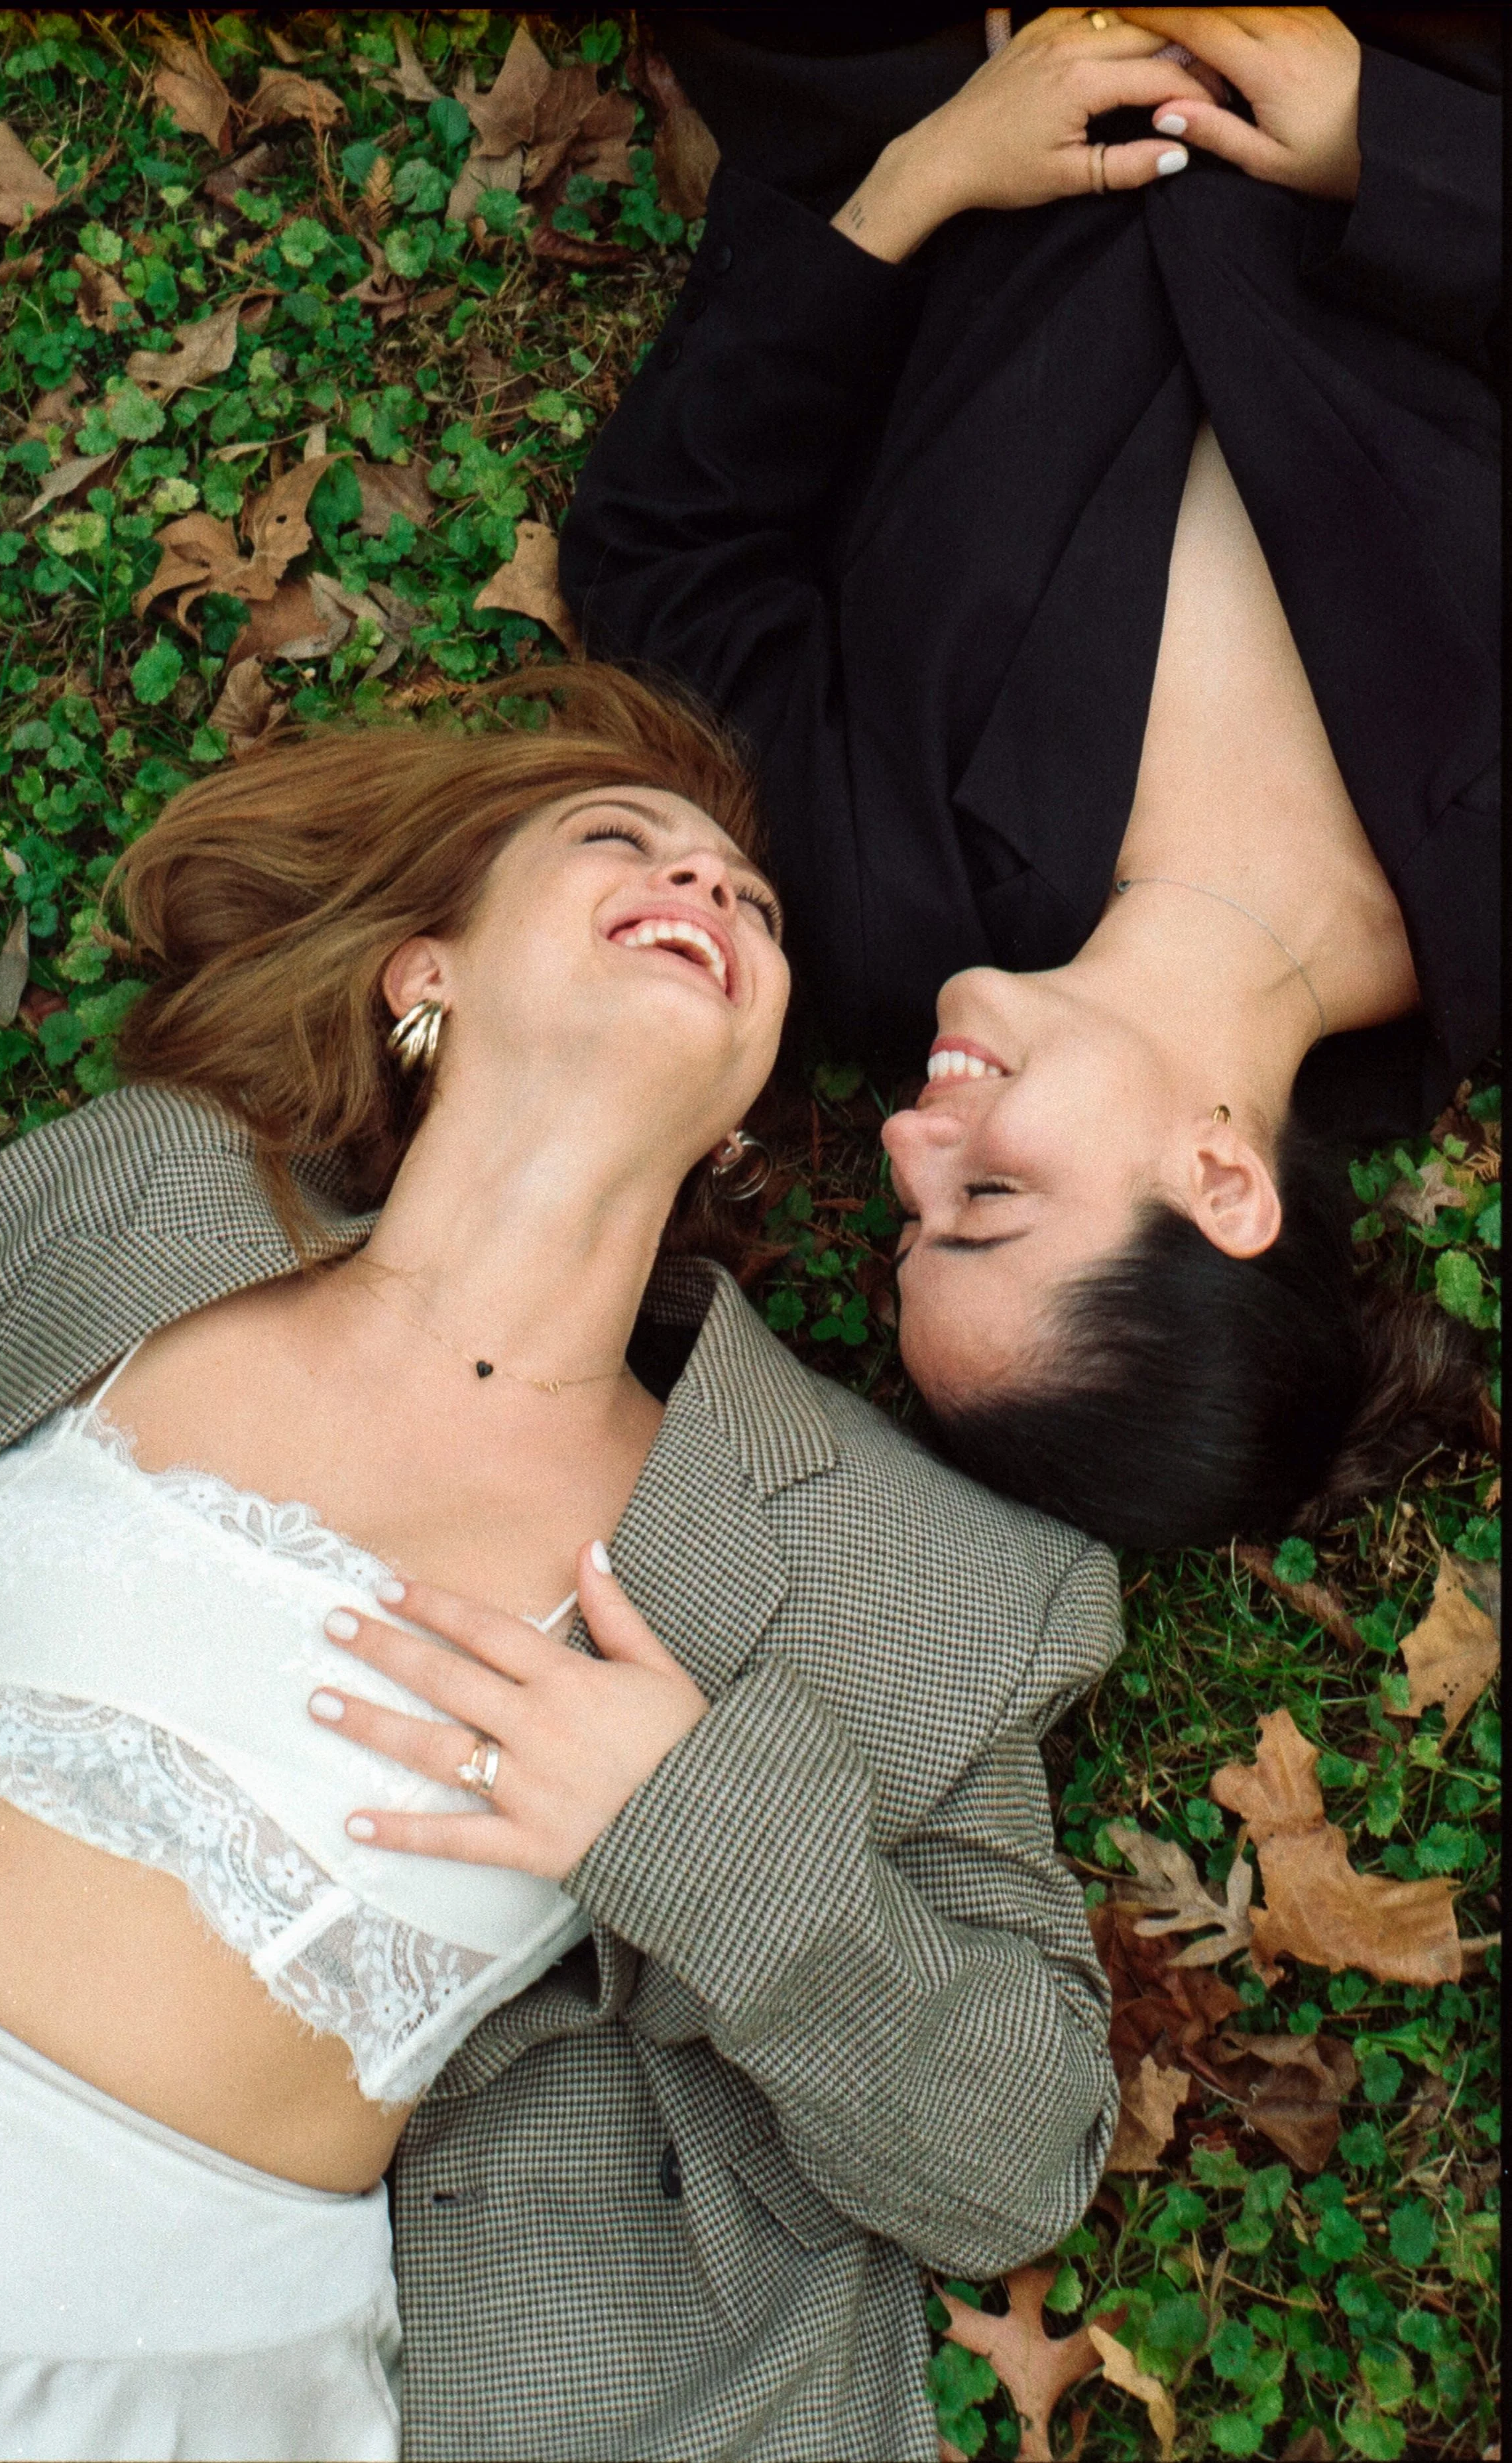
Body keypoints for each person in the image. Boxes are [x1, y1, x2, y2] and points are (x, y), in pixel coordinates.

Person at [0, 667, 1123, 2463]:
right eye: (623, 845)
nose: (705, 891)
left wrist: (690, 1823)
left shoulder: (870, 1558)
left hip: (137, 2371)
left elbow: (1011, 2158)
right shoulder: (141, 1197)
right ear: (422, 972)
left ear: (746, 1104)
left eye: (750, 911)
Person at [561, 5, 1499, 1549]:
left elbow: (664, 556)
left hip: (941, 64)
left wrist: (919, 182)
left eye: (905, 1222)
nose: (909, 1148)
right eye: (985, 1206)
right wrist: (1393, 149)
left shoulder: (875, 902)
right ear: (1219, 1183)